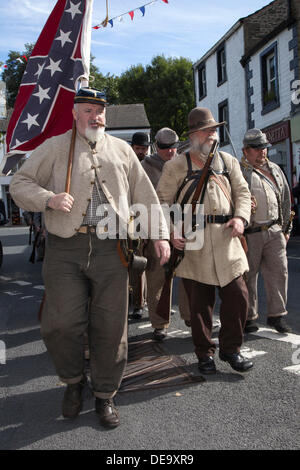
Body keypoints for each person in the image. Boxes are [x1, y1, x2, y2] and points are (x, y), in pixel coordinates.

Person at [9, 87, 170, 428]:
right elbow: (19, 183)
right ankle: (72, 381)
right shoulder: (55, 148)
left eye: (100, 111)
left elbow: (146, 194)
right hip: (66, 248)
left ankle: (104, 394)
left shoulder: (123, 151)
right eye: (87, 110)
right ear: (74, 113)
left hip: (113, 249)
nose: (95, 116)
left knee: (111, 327)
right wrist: (48, 198)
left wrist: (159, 234)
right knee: (61, 324)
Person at [157, 107, 254, 374]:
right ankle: (204, 354)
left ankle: (231, 350)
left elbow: (243, 193)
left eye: (214, 129)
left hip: (227, 239)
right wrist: (171, 231)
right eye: (208, 130)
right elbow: (162, 203)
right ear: (194, 134)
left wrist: (241, 219)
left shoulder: (228, 161)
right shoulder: (176, 165)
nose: (213, 134)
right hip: (194, 241)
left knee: (239, 297)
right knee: (200, 306)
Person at [241, 128, 292, 334]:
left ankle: (277, 316)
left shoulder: (276, 170)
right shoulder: (239, 172)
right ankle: (248, 317)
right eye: (256, 148)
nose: (262, 152)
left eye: (264, 148)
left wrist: (286, 229)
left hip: (274, 230)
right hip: (250, 232)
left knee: (279, 273)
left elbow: (286, 199)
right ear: (246, 151)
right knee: (248, 276)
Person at [141, 128, 191, 340]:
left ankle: (191, 317)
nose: (170, 152)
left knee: (191, 275)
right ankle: (159, 323)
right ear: (156, 147)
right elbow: (140, 200)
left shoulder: (186, 163)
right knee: (157, 278)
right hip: (157, 227)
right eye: (164, 148)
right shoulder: (144, 167)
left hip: (185, 226)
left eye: (173, 147)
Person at [129, 132, 152, 319]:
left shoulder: (151, 165)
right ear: (133, 147)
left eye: (145, 149)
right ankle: (137, 303)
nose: (142, 152)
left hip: (149, 219)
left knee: (156, 265)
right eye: (139, 149)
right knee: (137, 264)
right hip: (130, 222)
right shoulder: (126, 164)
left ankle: (151, 302)